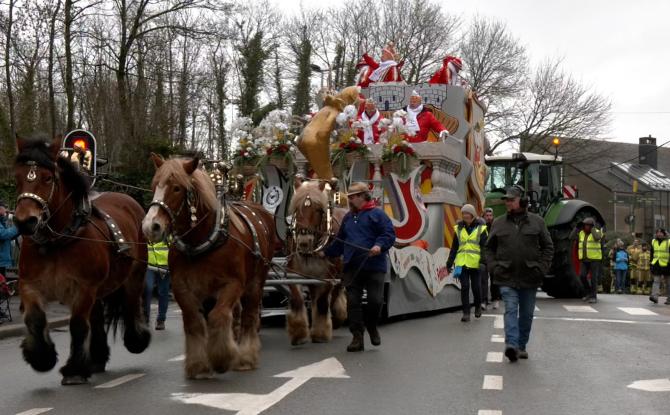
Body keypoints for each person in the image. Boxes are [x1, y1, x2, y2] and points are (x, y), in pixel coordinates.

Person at [324, 182, 396, 352]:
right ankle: (357, 337)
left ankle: (371, 326)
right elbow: (340, 242)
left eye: (353, 196)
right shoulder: (348, 218)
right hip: (352, 267)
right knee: (353, 303)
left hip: (374, 266)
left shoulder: (378, 215)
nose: (350, 200)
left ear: (364, 196)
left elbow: (389, 234)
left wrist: (379, 246)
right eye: (349, 197)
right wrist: (325, 252)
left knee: (375, 301)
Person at [485, 186, 553, 362]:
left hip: (530, 276)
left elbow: (548, 247)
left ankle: (521, 346)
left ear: (522, 201)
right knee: (510, 309)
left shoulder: (537, 222)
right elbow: (489, 248)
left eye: (511, 200)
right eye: (506, 200)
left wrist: (542, 268)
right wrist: (494, 267)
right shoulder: (498, 223)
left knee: (527, 314)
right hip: (506, 275)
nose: (507, 202)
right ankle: (512, 345)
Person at [447, 204, 487, 322]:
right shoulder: (458, 228)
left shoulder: (481, 228)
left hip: (476, 263)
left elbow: (485, 247)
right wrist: (449, 262)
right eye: (463, 213)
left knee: (476, 287)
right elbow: (454, 247)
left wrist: (483, 262)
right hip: (462, 262)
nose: (465, 215)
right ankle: (466, 313)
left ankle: (478, 306)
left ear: (473, 214)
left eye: (467, 213)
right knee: (464, 287)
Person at [570, 217, 603, 303]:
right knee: (582, 276)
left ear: (592, 226)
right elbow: (571, 237)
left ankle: (593, 296)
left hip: (594, 259)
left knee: (593, 278)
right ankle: (588, 292)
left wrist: (593, 229)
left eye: (589, 225)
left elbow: (597, 238)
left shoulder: (597, 232)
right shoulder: (581, 233)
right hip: (584, 259)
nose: (586, 227)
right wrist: (576, 228)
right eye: (585, 225)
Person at [144, 240, 170, 330]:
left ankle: (161, 320)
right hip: (149, 266)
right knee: (147, 288)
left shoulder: (167, 234)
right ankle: (145, 318)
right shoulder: (146, 231)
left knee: (163, 292)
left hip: (165, 267)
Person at [482, 207, 501, 309]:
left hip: (494, 256)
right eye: (487, 216)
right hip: (484, 256)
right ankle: (484, 301)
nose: (489, 217)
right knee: (483, 280)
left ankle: (495, 299)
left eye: (490, 215)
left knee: (494, 279)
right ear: (483, 216)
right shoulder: (481, 227)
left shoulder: (496, 227)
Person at [649, 228, 670, 305]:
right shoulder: (653, 241)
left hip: (667, 265)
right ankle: (654, 297)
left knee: (668, 283)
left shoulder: (669, 242)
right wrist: (651, 263)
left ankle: (669, 299)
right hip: (656, 264)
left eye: (660, 232)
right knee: (656, 281)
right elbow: (651, 253)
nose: (659, 234)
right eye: (657, 232)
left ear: (664, 233)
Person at [0, 201, 19, 278]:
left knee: (12, 281)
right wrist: (19, 227)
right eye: (5, 208)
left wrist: (21, 230)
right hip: (2, 264)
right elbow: (3, 234)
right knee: (4, 287)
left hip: (9, 261)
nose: (6, 211)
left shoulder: (2, 222)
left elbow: (8, 236)